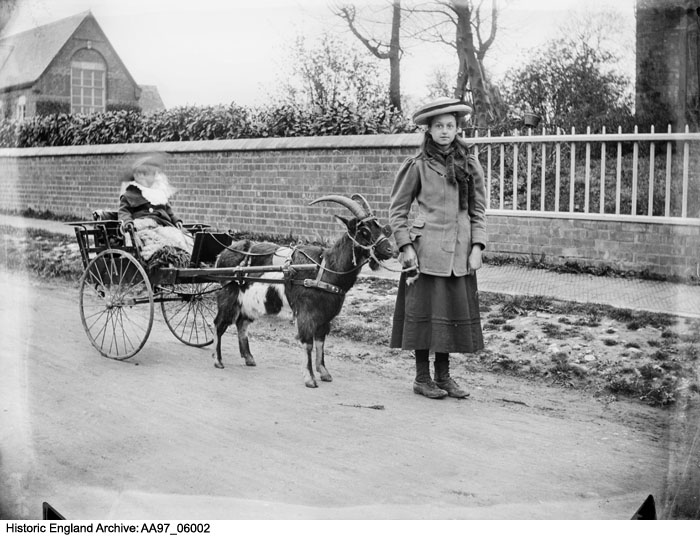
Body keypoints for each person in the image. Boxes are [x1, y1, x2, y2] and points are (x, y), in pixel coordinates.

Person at [389, 97, 487, 400]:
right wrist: (406, 247)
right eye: (439, 126)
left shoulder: (469, 164)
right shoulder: (417, 166)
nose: (445, 131)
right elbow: (397, 211)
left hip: (459, 253)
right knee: (424, 314)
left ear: (457, 129)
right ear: (428, 131)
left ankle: (444, 376)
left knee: (450, 314)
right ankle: (421, 377)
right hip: (425, 252)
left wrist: (477, 247)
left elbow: (478, 210)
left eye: (451, 126)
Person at [118, 153, 192, 262]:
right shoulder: (129, 195)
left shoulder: (158, 194)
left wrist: (176, 220)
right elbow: (124, 212)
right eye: (140, 174)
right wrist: (128, 222)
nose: (143, 177)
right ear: (136, 176)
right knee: (155, 239)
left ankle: (184, 258)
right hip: (143, 226)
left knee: (180, 237)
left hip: (162, 225)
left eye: (148, 174)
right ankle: (163, 258)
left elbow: (168, 211)